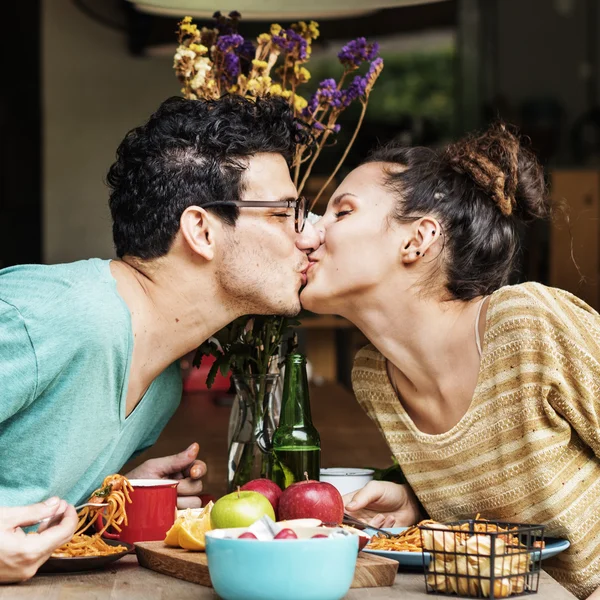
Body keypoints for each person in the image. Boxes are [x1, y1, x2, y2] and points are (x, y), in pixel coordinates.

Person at [0, 94, 320, 578]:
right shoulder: (50, 317)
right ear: (201, 230)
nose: (308, 236)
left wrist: (110, 497)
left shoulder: (162, 384)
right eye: (281, 213)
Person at [301, 123, 600, 599]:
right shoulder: (374, 380)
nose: (310, 233)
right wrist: (415, 501)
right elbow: (486, 502)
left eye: (342, 211)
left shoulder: (528, 326)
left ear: (417, 239)